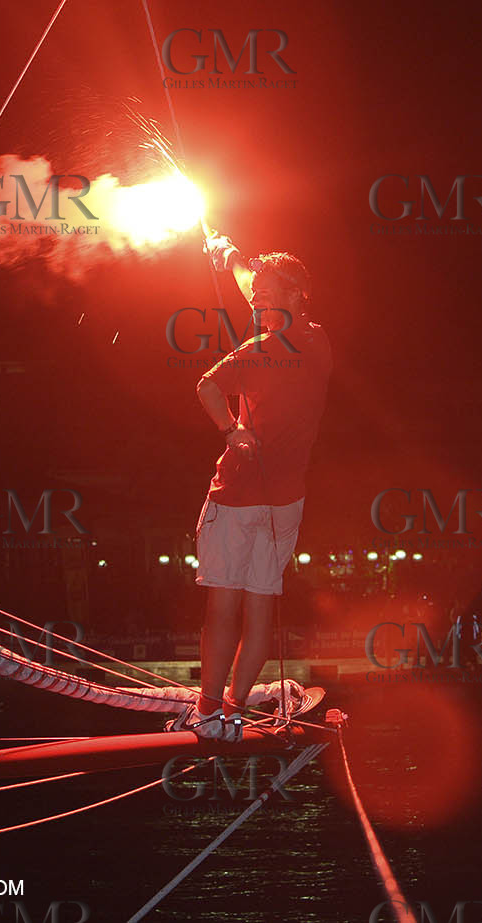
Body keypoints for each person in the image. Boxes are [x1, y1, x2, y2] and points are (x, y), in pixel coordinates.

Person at [179, 231, 331, 741]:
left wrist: (232, 429)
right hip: (285, 503)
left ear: (292, 296)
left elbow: (203, 386)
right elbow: (260, 287)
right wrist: (230, 257)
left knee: (222, 607)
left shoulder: (256, 351)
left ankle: (206, 711)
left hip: (236, 497)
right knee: (261, 606)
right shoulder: (319, 343)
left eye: (265, 294)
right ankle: (233, 709)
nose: (256, 298)